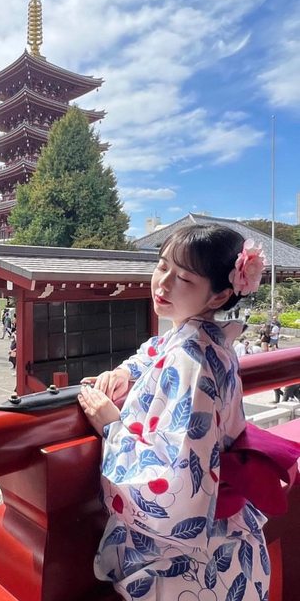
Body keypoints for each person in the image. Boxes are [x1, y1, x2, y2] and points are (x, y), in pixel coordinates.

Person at [78, 225, 270, 600]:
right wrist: (124, 373)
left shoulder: (192, 360)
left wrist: (112, 427)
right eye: (162, 266)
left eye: (183, 278)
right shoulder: (207, 339)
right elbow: (153, 353)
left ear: (220, 295)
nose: (163, 283)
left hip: (192, 566)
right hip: (231, 547)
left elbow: (178, 484)